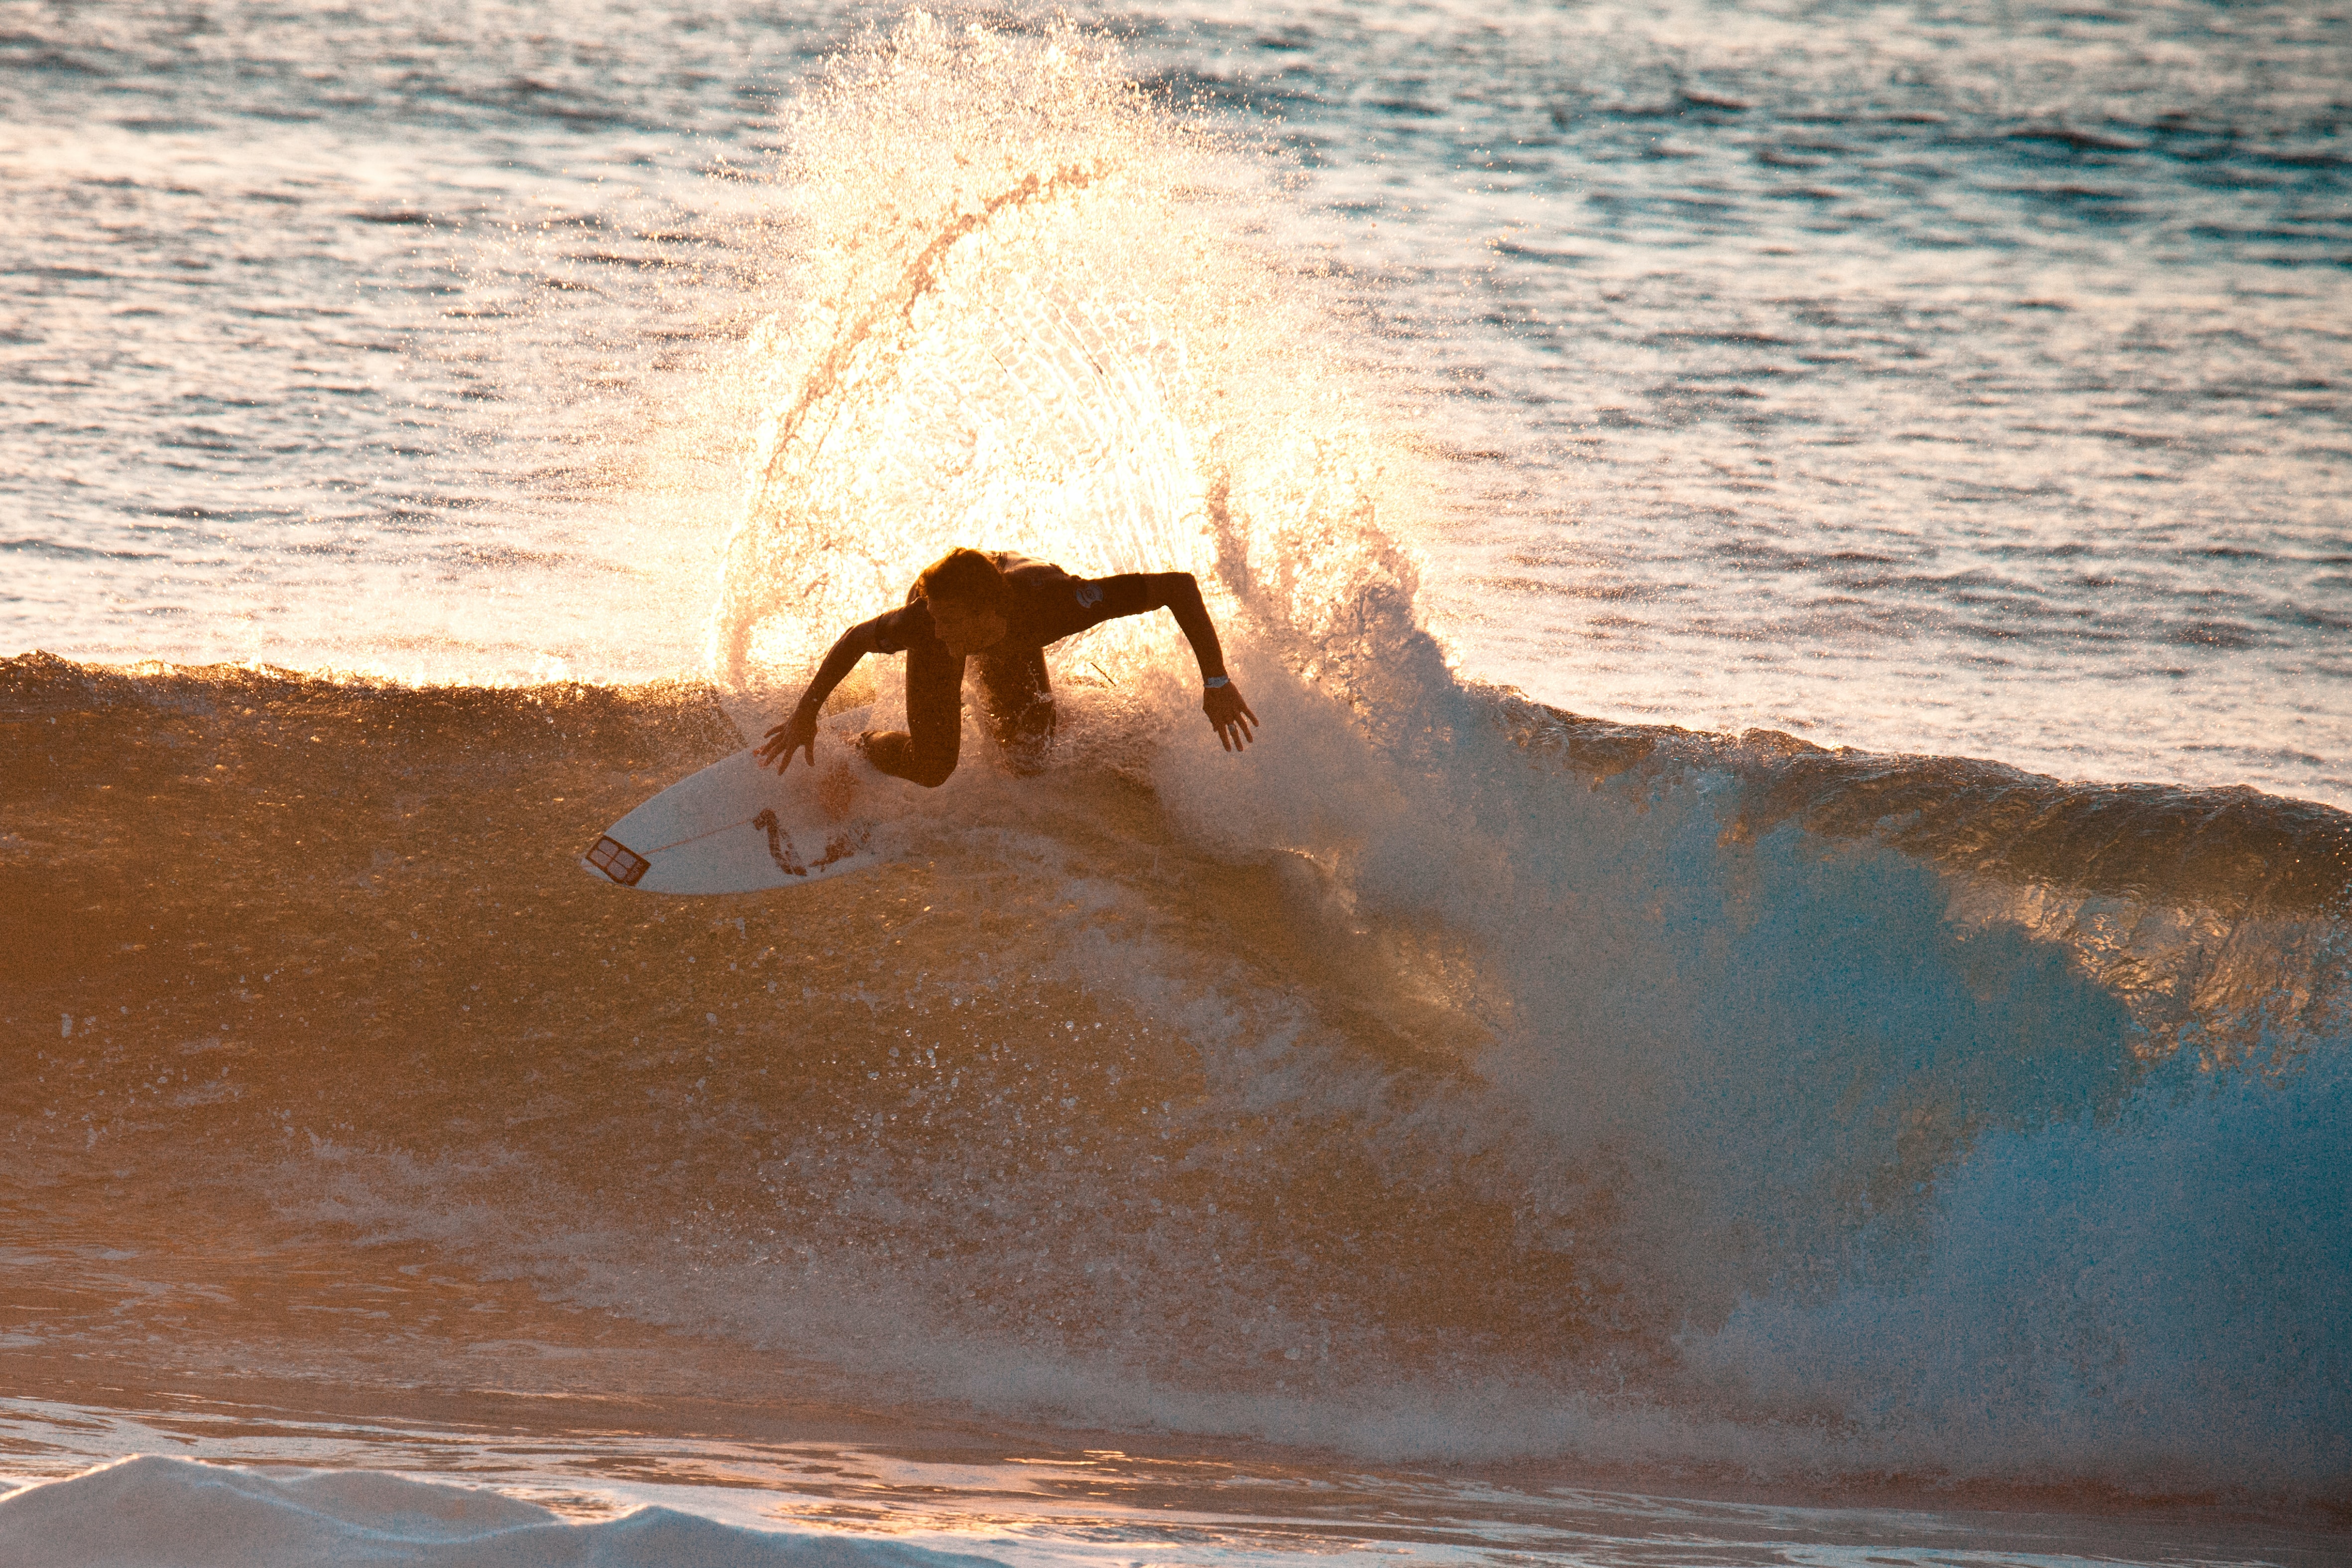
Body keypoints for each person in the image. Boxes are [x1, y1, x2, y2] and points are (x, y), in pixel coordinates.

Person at [756, 548, 1260, 786]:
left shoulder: (1061, 604)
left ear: (984, 612)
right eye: (934, 620)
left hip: (1011, 621)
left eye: (948, 622)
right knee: (934, 768)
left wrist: (1216, 680)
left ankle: (990, 696)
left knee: (1028, 760)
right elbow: (855, 639)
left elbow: (1177, 586)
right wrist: (807, 713)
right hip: (963, 595)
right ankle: (863, 744)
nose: (936, 633)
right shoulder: (928, 623)